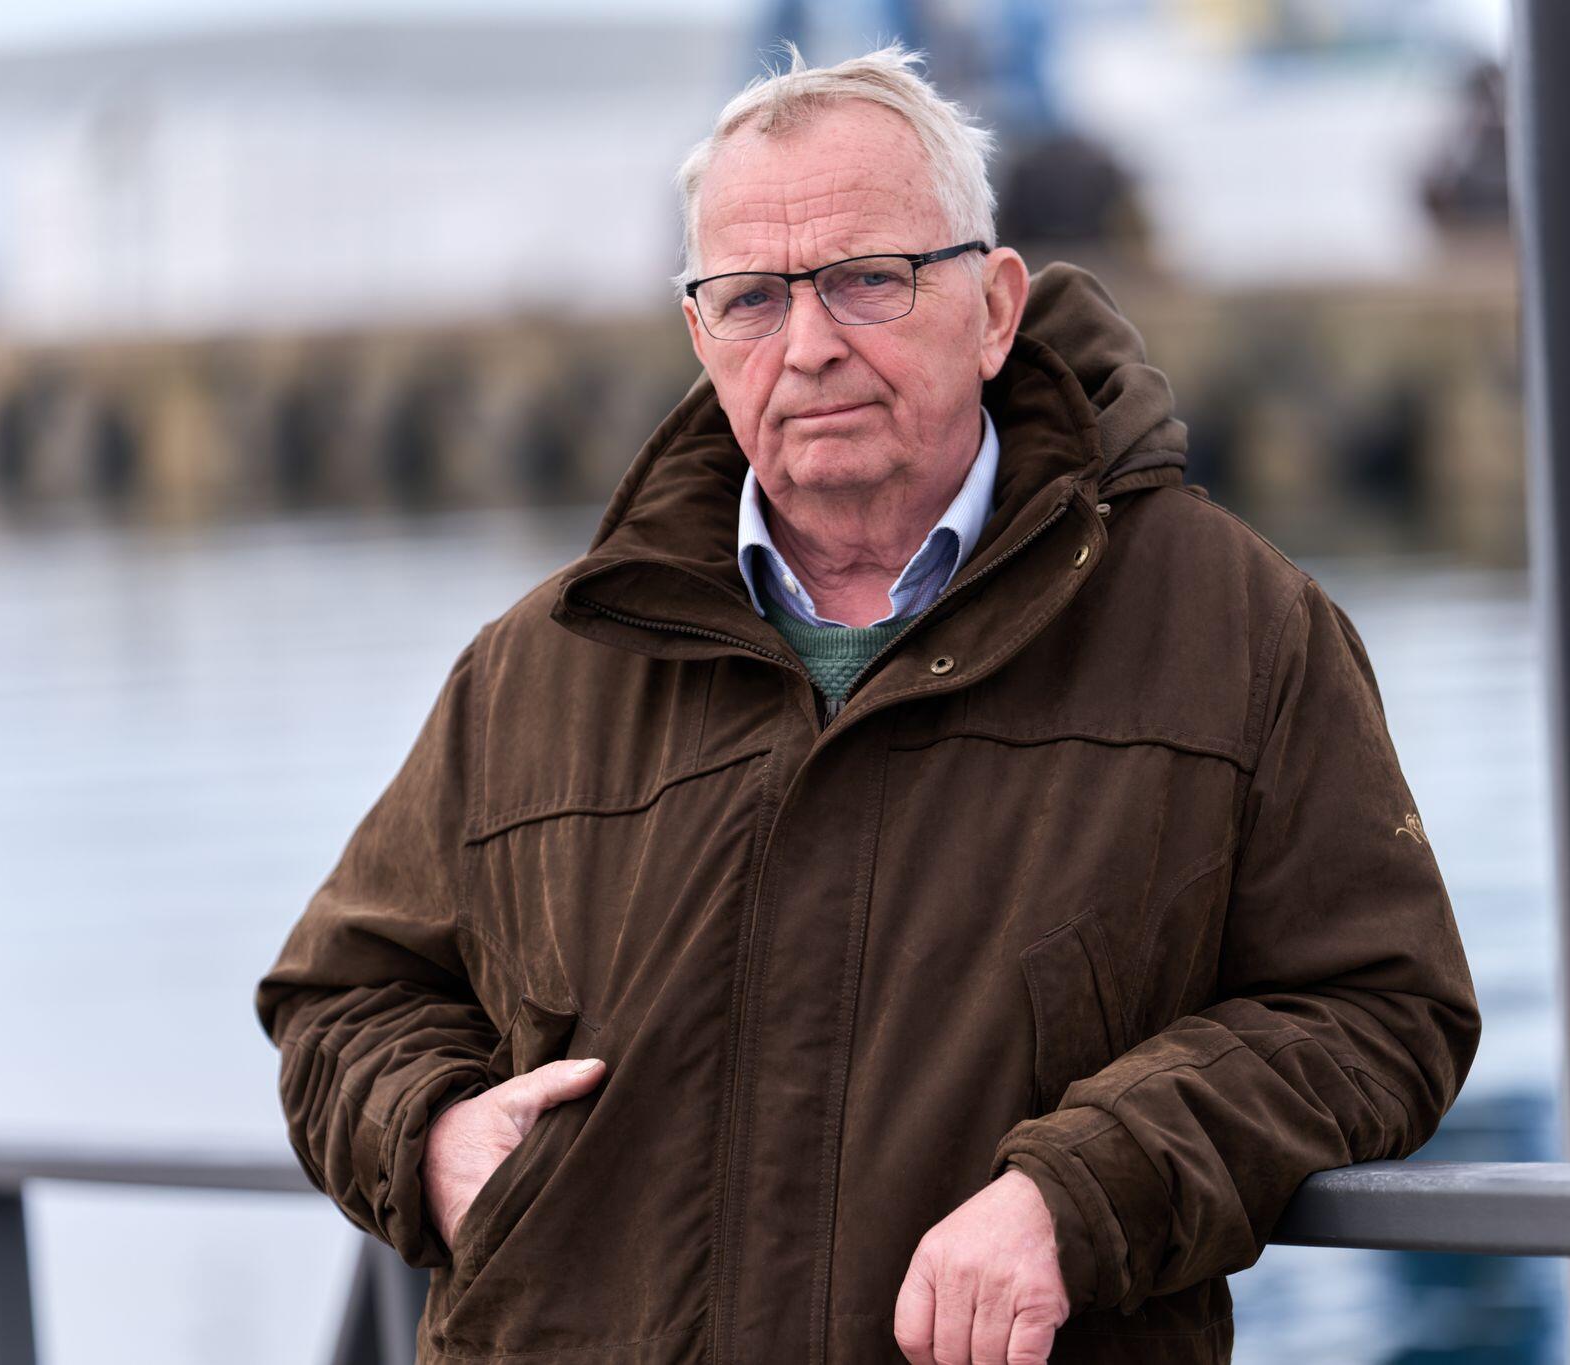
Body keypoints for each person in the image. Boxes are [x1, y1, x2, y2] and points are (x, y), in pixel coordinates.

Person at [254, 42, 1481, 1365]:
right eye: (750, 299)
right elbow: (343, 998)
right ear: (699, 336)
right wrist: (431, 1137)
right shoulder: (541, 665)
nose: (810, 347)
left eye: (868, 280)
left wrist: (1084, 1192)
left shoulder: (1233, 627)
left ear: (995, 307)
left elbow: (1378, 1009)